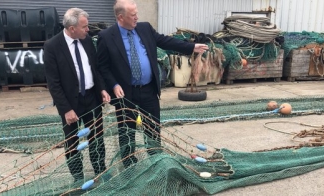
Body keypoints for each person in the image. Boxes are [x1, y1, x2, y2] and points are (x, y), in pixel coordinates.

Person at [96, 0, 208, 168]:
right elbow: (102, 67)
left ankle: (156, 161)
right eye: (133, 15)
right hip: (126, 94)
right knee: (127, 132)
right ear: (121, 17)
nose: (137, 17)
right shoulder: (107, 36)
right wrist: (113, 85)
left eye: (137, 13)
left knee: (153, 129)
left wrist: (191, 47)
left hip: (149, 90)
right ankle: (129, 165)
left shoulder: (145, 28)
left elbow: (166, 42)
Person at [44, 8, 111, 182]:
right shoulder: (52, 46)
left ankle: (100, 171)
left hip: (91, 98)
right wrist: (66, 109)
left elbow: (94, 69)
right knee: (72, 142)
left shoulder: (87, 41)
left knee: (97, 138)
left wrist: (102, 89)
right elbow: (53, 83)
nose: (88, 29)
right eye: (84, 27)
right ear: (72, 28)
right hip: (70, 103)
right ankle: (78, 178)